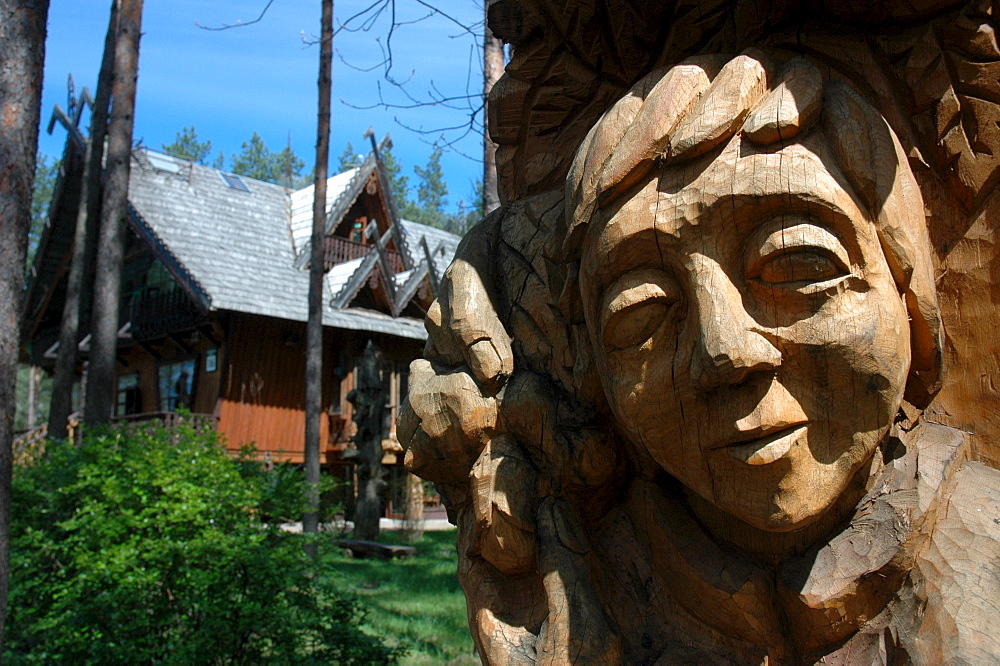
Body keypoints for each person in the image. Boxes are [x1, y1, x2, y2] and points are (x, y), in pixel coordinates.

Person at [400, 51, 1000, 664]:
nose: (723, 351)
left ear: (911, 295)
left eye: (797, 267)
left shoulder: (985, 558)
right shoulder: (587, 576)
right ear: (597, 375)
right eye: (641, 314)